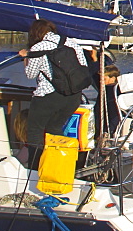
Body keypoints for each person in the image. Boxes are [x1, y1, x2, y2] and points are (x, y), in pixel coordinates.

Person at [18, 18, 88, 167]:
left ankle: (35, 169)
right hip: (73, 96)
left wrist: (26, 57)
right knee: (55, 129)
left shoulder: (38, 48)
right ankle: (59, 165)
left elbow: (30, 74)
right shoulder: (72, 43)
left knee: (35, 131)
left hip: (48, 96)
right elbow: (83, 66)